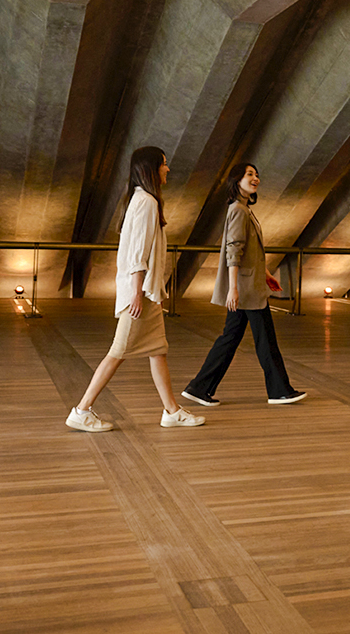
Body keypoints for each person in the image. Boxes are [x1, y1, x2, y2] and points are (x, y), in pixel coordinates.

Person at [67, 147, 204, 432]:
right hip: (140, 294)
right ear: (151, 169)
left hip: (147, 293)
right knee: (118, 352)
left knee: (158, 350)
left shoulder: (142, 200)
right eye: (164, 165)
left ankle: (171, 411)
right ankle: (82, 410)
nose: (168, 170)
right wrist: (137, 293)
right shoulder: (146, 202)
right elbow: (138, 254)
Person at [181, 163, 306, 406]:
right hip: (246, 289)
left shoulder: (243, 209)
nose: (255, 178)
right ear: (236, 180)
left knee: (231, 338)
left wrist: (266, 273)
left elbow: (249, 251)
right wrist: (234, 288)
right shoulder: (238, 210)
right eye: (249, 174)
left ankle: (199, 387)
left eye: (257, 174)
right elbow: (234, 250)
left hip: (249, 285)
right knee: (265, 339)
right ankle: (279, 390)